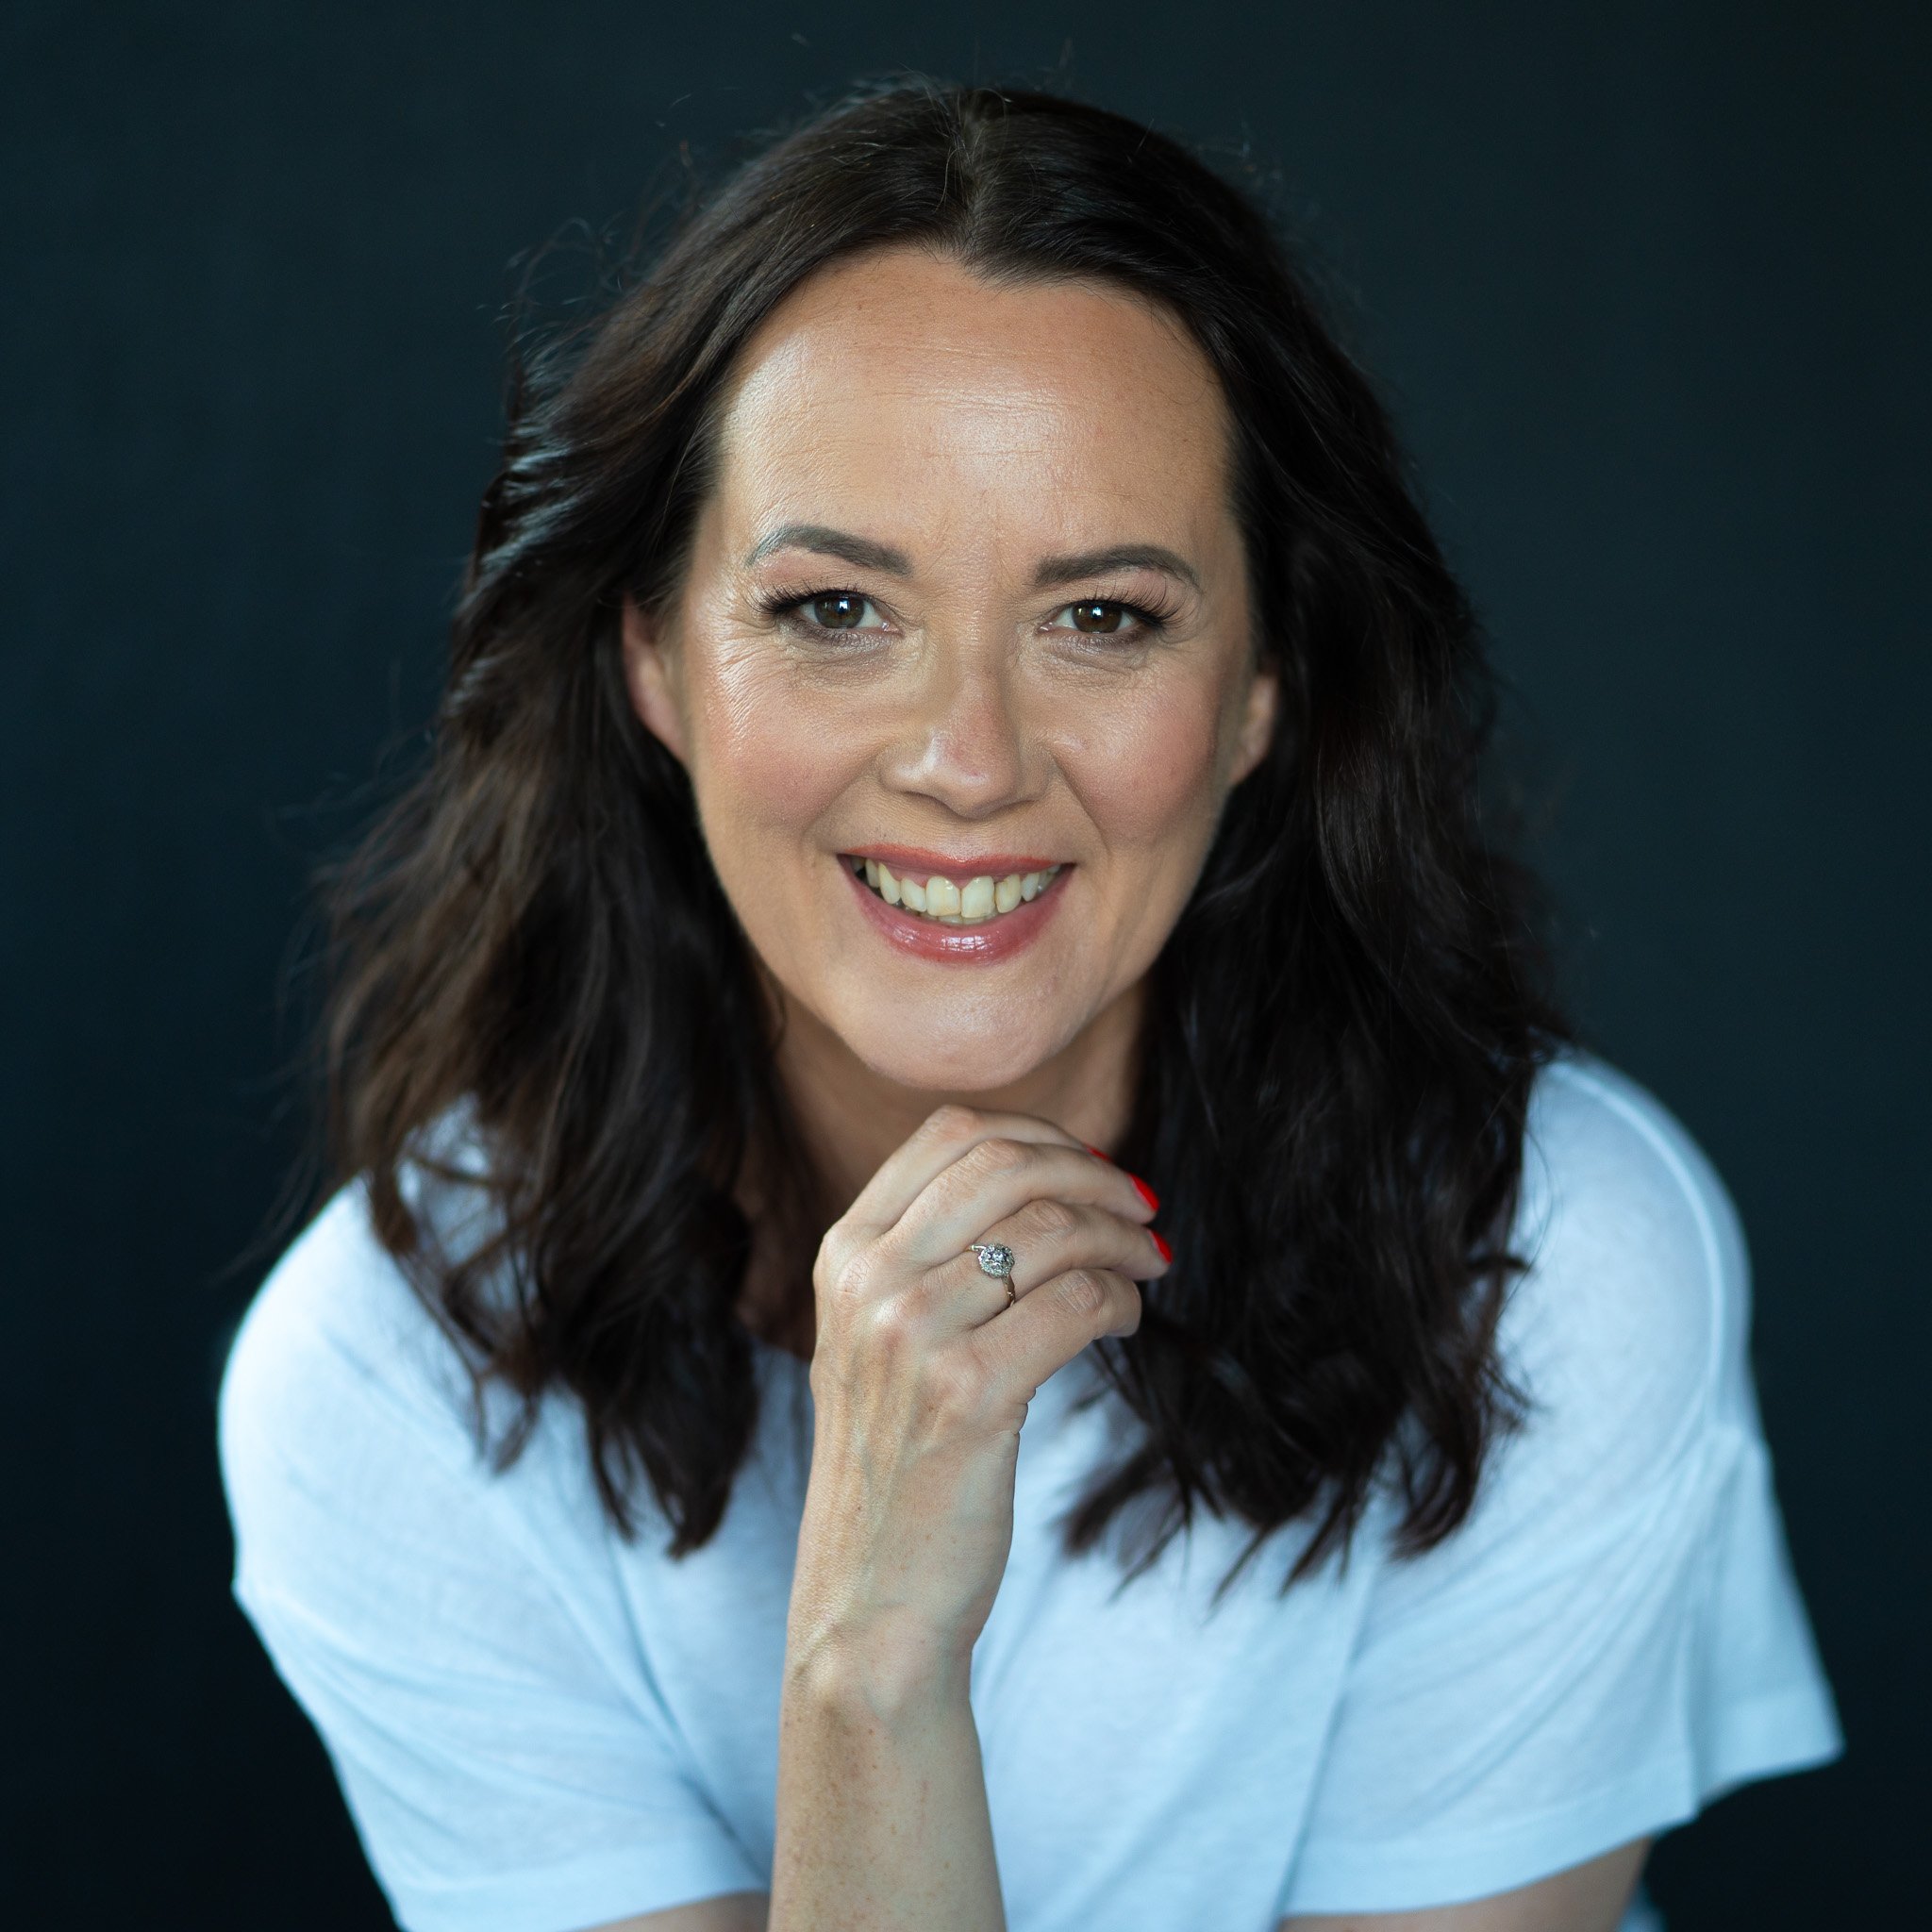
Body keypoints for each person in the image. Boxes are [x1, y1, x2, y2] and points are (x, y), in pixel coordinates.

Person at [217, 79, 1841, 1932]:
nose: (969, 762)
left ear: (1260, 694)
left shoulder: (1544, 1255)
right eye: (834, 609)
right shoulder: (387, 1371)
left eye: (1105, 619)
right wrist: (867, 1664)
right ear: (654, 657)